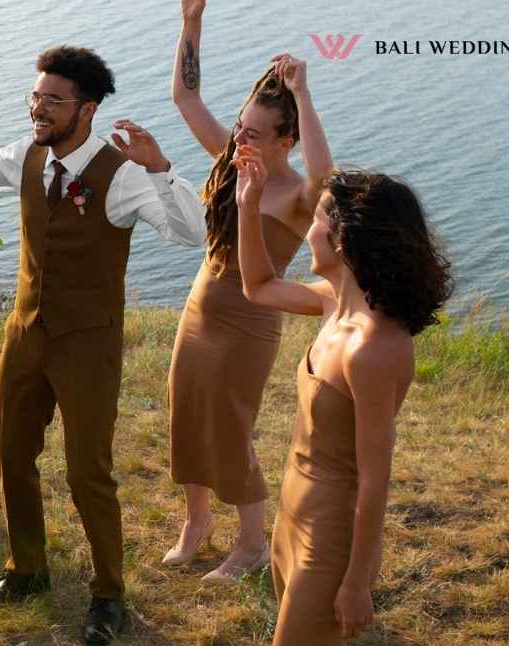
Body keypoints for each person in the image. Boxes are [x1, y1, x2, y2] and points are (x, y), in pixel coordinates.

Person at [0, 46, 207, 646]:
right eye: (36, 97)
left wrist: (162, 168)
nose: (39, 108)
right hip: (26, 334)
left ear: (86, 109)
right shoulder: (26, 156)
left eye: (53, 101)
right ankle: (26, 571)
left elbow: (191, 233)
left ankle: (109, 594)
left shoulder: (125, 174)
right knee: (11, 454)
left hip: (88, 344)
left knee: (88, 472)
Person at [234, 148, 453, 646]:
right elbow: (257, 285)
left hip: (330, 532)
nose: (307, 231)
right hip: (292, 511)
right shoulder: (336, 306)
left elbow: (375, 479)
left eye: (317, 220)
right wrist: (248, 205)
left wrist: (358, 581)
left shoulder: (373, 348)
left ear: (345, 240)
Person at [164, 0, 335, 583]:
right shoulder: (234, 165)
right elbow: (185, 98)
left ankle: (252, 544)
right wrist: (192, 22)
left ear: (285, 138)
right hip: (199, 310)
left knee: (229, 430)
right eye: (241, 126)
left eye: (257, 133)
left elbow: (326, 178)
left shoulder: (295, 193)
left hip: (249, 326)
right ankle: (195, 523)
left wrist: (305, 94)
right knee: (186, 414)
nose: (242, 138)